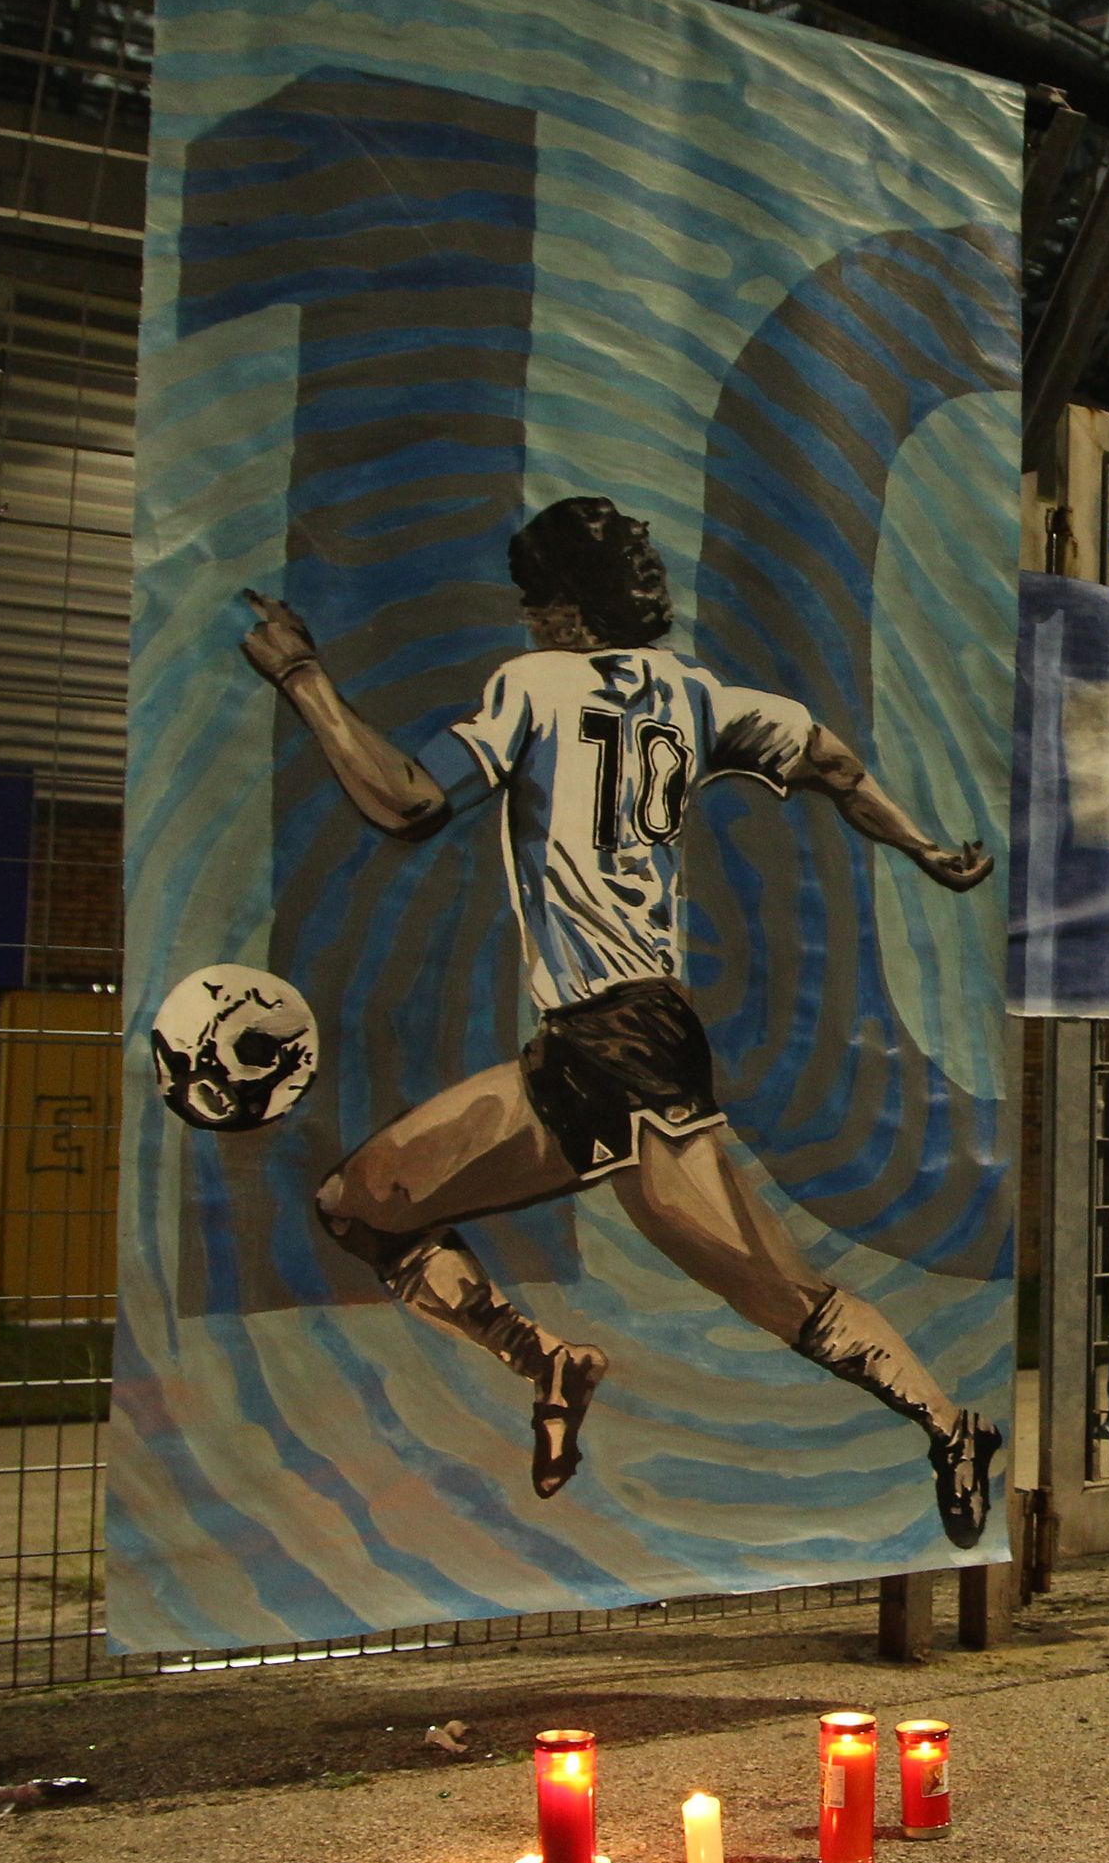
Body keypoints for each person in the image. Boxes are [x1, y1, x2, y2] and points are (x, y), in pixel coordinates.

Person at [237, 494, 1006, 1542]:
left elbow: (409, 800)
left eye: (529, 602)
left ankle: (948, 1422)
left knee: (784, 1294)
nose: (523, 620)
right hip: (578, 1049)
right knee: (363, 1202)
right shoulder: (694, 695)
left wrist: (303, 677)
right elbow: (831, 762)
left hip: (628, 1048)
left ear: (556, 610)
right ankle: (548, 1360)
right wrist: (922, 847)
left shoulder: (533, 685)